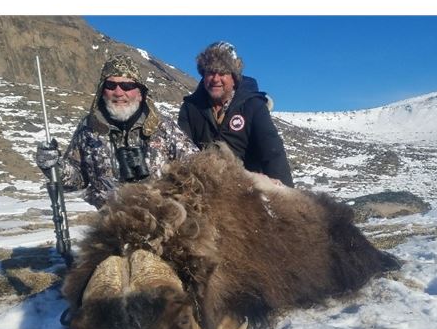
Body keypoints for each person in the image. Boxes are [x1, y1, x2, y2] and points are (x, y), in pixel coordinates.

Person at [36, 54, 198, 208]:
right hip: (110, 224)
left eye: (127, 86)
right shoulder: (88, 128)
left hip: (163, 222)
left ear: (140, 93)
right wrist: (54, 166)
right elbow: (77, 179)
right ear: (102, 90)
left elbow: (196, 169)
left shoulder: (163, 127)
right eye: (111, 85)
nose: (119, 93)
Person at [178, 42, 294, 187]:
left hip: (247, 191)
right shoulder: (190, 107)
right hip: (202, 188)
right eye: (210, 72)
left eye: (222, 73)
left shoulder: (253, 105)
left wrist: (287, 198)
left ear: (234, 77)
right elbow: (181, 153)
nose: (215, 79)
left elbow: (273, 153)